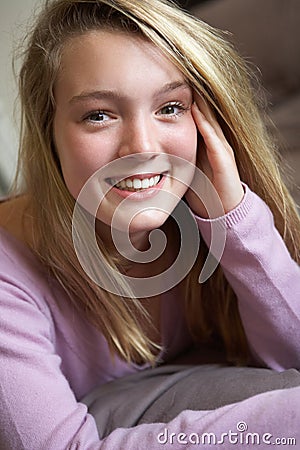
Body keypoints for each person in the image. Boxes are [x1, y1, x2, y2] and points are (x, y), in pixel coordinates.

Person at [0, 0, 299, 448]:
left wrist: (235, 220)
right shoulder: (9, 268)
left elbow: (292, 353)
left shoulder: (198, 219)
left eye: (171, 108)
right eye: (98, 115)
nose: (141, 146)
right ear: (50, 133)